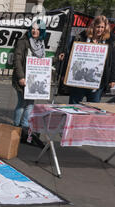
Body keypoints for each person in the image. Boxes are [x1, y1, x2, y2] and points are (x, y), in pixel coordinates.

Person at [12, 19, 57, 148]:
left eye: (38, 29)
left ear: (42, 31)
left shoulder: (40, 43)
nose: (35, 31)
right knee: (22, 103)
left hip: (34, 80)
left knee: (30, 104)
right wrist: (21, 77)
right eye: (33, 28)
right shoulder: (23, 42)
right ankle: (16, 128)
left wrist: (55, 60)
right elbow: (17, 59)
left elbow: (42, 62)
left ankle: (25, 128)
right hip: (23, 78)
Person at [67, 15, 115, 104]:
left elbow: (112, 61)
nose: (100, 29)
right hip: (79, 81)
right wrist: (64, 74)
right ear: (93, 26)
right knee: (74, 106)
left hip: (98, 83)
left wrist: (112, 79)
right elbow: (69, 56)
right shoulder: (81, 38)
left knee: (94, 108)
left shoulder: (109, 41)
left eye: (102, 27)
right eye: (98, 27)